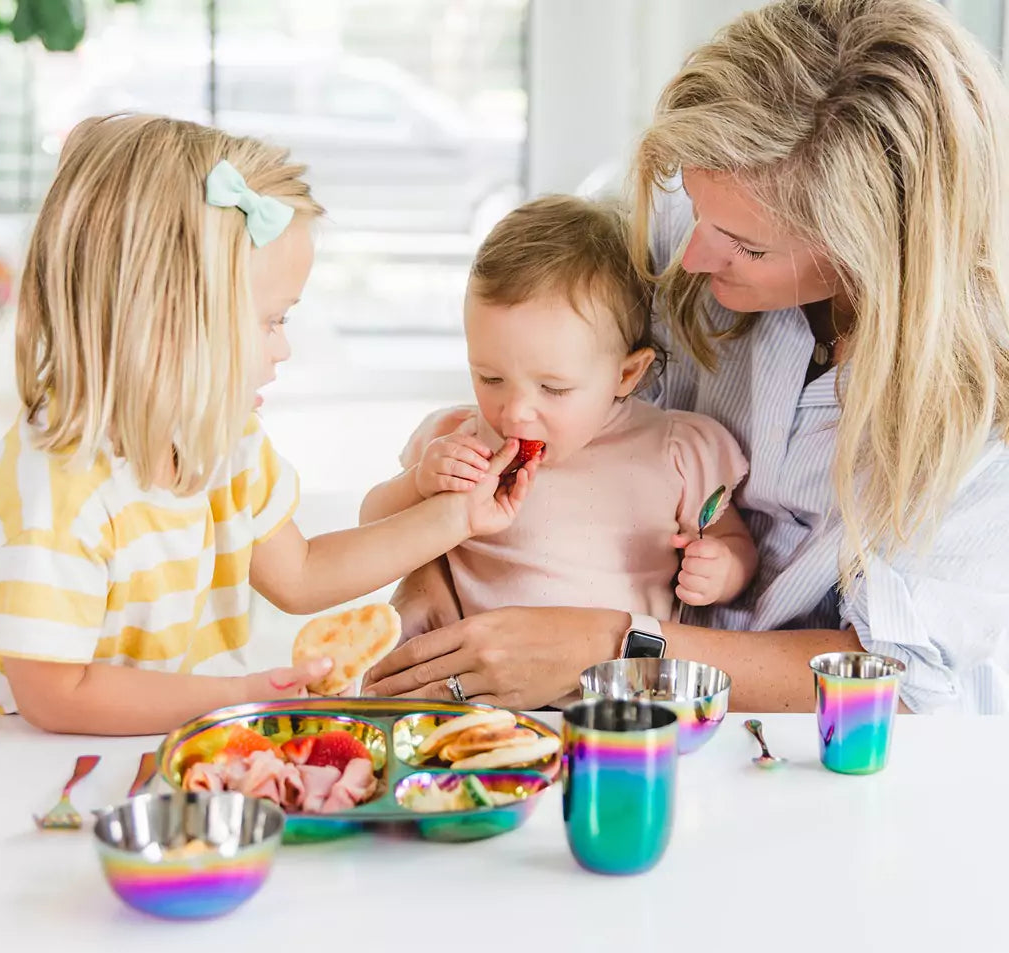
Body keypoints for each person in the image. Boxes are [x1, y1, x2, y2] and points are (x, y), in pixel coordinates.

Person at [363, 0, 1009, 714]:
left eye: (747, 246)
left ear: (873, 251)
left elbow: (897, 677)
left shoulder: (986, 398)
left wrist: (615, 650)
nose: (689, 257)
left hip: (867, 757)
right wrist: (433, 575)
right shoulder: (684, 218)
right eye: (695, 208)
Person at [0, 114, 532, 734]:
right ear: (170, 319)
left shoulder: (221, 441)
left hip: (177, 742)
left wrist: (457, 517)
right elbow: (56, 695)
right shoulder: (58, 481)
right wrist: (236, 695)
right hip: (36, 768)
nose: (283, 349)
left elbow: (299, 574)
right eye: (272, 321)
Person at [360, 196, 756, 689]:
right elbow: (371, 529)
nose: (515, 412)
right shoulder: (456, 440)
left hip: (617, 701)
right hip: (474, 691)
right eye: (489, 377)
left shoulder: (676, 450)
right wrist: (419, 485)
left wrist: (723, 570)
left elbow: (731, 540)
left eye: (553, 389)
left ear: (627, 373)